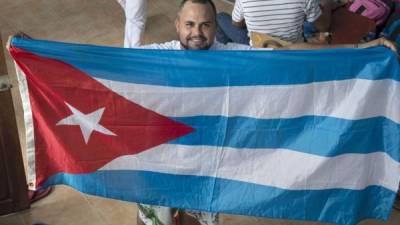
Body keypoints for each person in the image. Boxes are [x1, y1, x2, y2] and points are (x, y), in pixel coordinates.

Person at [216, 0, 336, 46]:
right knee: (308, 24)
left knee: (220, 17)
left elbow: (236, 24)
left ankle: (232, 55)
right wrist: (328, 6)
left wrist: (256, 20)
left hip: (259, 51)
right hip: (293, 50)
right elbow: (324, 25)